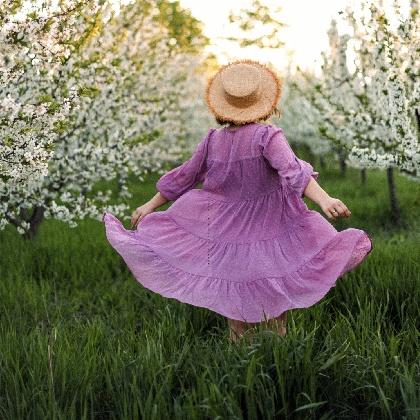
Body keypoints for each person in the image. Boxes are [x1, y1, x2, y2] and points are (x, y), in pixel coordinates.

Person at [102, 59, 373, 343]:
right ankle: (277, 363)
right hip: (271, 231)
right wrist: (325, 199)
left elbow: (184, 177)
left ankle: (240, 364)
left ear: (223, 105)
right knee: (275, 305)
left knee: (236, 306)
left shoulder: (212, 140)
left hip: (226, 233)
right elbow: (294, 172)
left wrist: (149, 205)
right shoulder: (267, 136)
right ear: (264, 101)